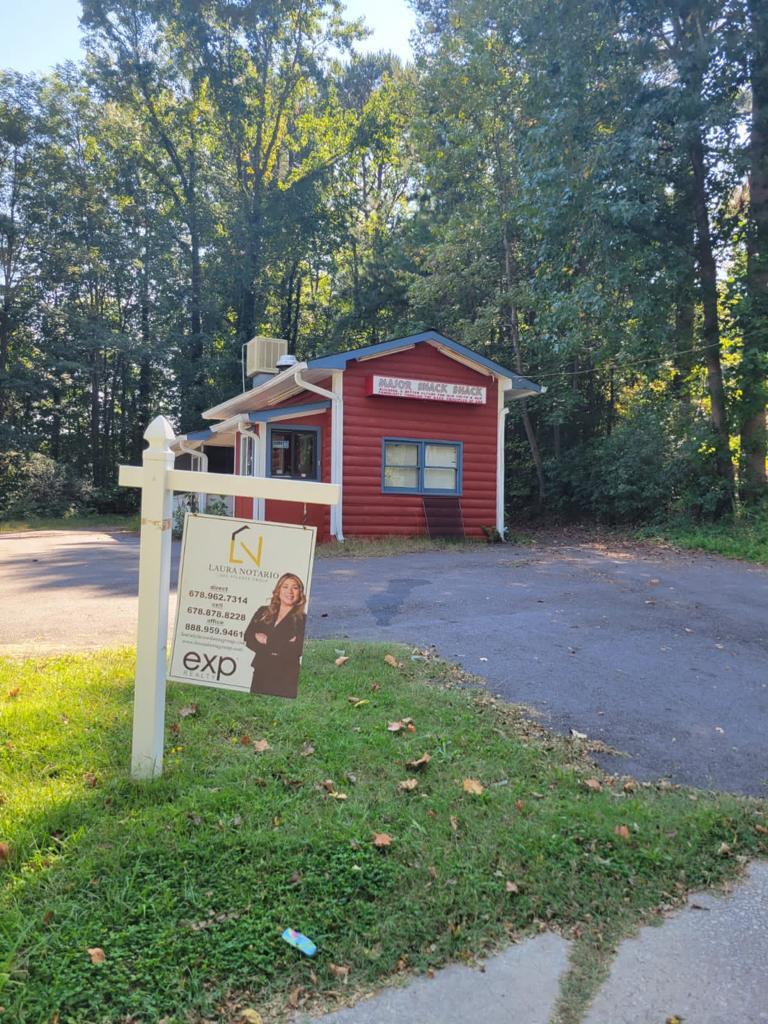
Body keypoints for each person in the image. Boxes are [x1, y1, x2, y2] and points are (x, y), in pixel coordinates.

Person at [243, 573, 307, 698]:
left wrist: (267, 640)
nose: (290, 592)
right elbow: (248, 637)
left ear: (300, 592)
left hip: (287, 675)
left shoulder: (303, 620)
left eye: (295, 587)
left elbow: (298, 649)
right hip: (261, 671)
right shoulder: (263, 611)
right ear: (278, 590)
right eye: (285, 587)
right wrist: (284, 643)